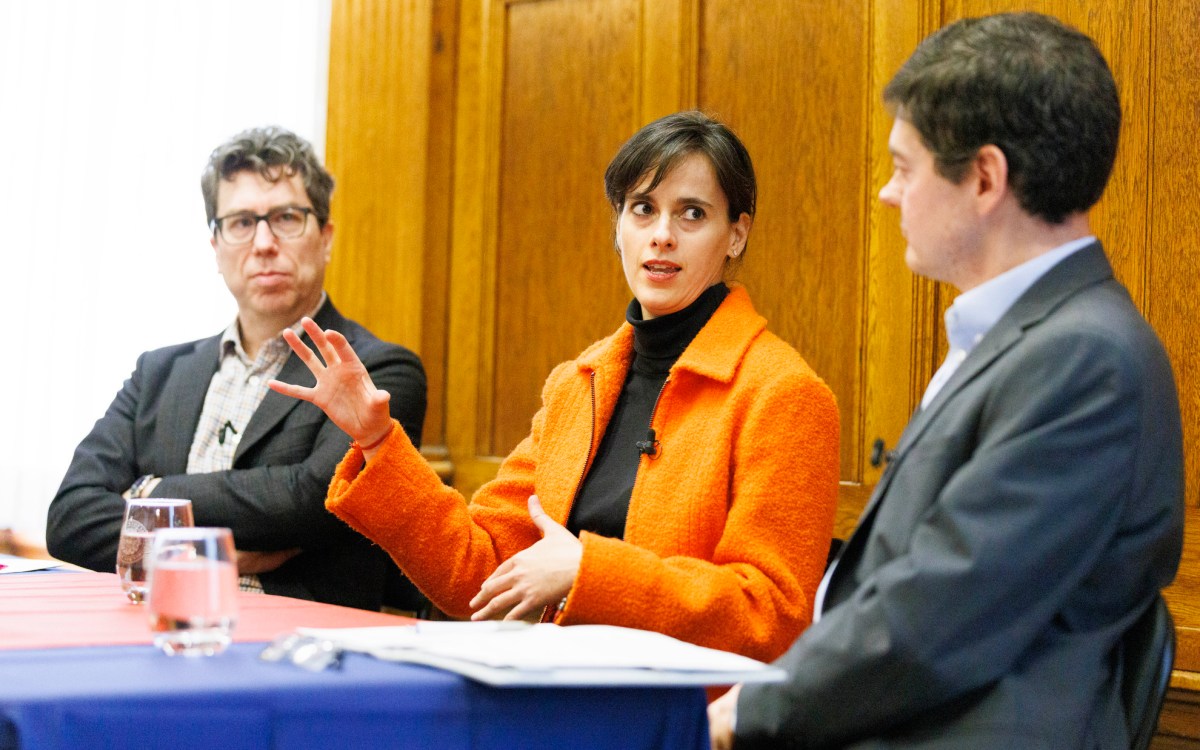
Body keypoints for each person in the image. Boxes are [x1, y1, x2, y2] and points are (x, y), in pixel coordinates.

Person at [708, 11, 1185, 749]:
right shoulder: (1018, 337)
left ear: (985, 178)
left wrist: (742, 715)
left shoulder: (1086, 361)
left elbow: (939, 612)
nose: (886, 194)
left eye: (905, 167)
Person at [269, 111, 841, 661]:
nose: (662, 235)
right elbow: (480, 573)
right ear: (618, 226)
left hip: (685, 719)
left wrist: (586, 571)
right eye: (643, 209)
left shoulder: (784, 394)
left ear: (736, 234)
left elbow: (771, 618)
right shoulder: (579, 385)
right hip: (555, 701)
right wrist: (376, 441)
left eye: (692, 214)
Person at [47, 126, 427, 611]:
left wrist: (149, 493)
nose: (264, 243)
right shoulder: (157, 375)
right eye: (242, 222)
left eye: (287, 218)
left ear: (326, 237)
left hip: (296, 648)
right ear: (216, 246)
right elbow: (70, 519)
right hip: (149, 631)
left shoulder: (377, 369)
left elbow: (314, 500)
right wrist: (213, 556)